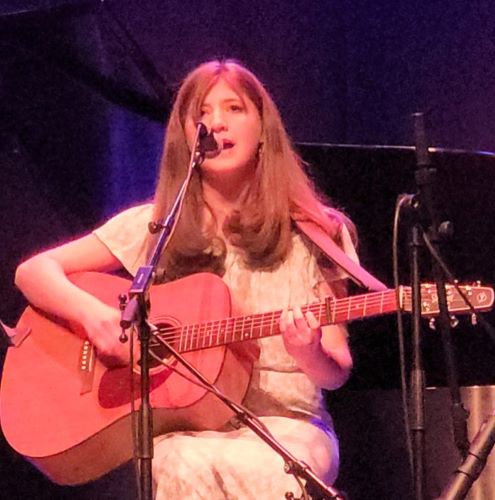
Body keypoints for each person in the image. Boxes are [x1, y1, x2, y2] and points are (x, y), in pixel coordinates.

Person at [15, 59, 358, 499]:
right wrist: (95, 317)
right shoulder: (156, 226)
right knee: (174, 458)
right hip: (190, 430)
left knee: (257, 471)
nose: (216, 123)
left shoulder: (319, 233)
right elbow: (33, 272)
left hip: (289, 429)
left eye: (234, 109)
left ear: (263, 130)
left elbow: (336, 372)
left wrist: (308, 353)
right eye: (203, 113)